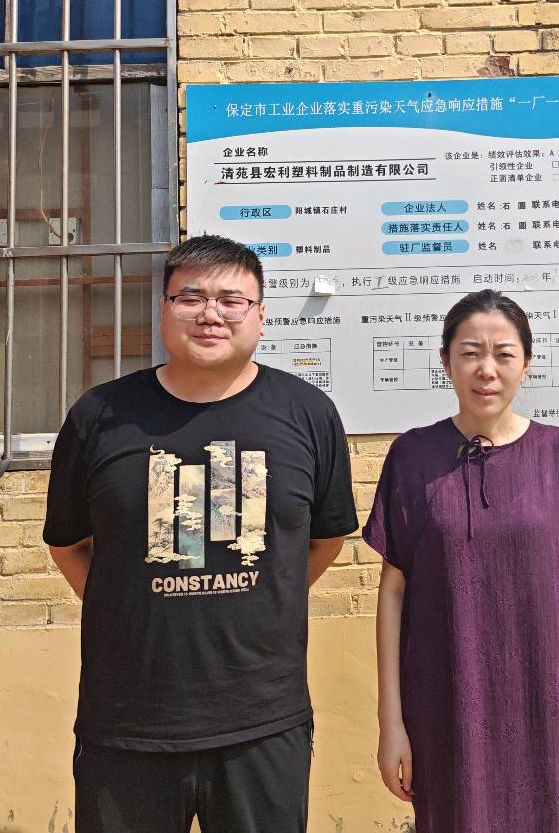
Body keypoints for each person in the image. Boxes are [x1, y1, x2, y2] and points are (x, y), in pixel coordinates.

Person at [43, 234, 357, 833]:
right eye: (190, 297)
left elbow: (324, 541)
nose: (211, 314)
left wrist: (260, 599)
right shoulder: (99, 416)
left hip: (263, 720)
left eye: (231, 300)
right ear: (163, 311)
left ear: (260, 315)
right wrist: (129, 604)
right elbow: (68, 545)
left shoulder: (308, 413)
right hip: (128, 723)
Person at [363, 289, 559, 833]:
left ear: (526, 363)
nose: (487, 369)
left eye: (504, 354)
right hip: (447, 707)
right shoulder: (412, 457)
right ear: (445, 362)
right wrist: (391, 722)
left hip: (550, 706)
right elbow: (393, 593)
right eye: (470, 353)